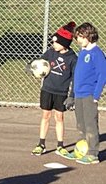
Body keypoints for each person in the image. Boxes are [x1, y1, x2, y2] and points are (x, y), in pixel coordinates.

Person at [64, 21, 106, 164]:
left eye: (81, 36)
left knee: (90, 125)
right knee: (80, 125)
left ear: (89, 36)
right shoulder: (82, 53)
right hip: (79, 94)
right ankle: (81, 150)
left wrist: (96, 95)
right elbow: (77, 75)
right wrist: (73, 94)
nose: (78, 40)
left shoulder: (97, 54)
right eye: (77, 37)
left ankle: (93, 154)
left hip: (89, 95)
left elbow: (102, 75)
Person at [32, 22, 76, 155]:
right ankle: (41, 144)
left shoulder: (72, 58)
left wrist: (71, 95)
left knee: (59, 117)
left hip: (61, 92)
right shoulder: (50, 52)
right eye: (53, 41)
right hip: (47, 89)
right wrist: (32, 66)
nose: (53, 44)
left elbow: (75, 78)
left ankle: (60, 145)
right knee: (45, 115)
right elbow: (40, 62)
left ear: (65, 44)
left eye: (56, 42)